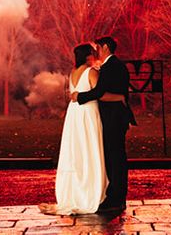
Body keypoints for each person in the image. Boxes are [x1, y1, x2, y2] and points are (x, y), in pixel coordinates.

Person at [55, 43, 126, 215]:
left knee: (78, 151)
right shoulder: (91, 72)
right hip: (88, 114)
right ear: (88, 56)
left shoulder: (72, 73)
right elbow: (99, 94)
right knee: (91, 149)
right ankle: (93, 190)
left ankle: (75, 191)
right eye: (93, 53)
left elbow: (76, 93)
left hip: (74, 114)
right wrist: (120, 97)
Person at [71, 36, 135, 212]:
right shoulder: (113, 65)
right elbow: (109, 91)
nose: (96, 50)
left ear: (105, 47)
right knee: (114, 157)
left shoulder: (110, 66)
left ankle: (115, 198)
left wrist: (79, 96)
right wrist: (121, 97)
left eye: (98, 47)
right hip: (114, 116)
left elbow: (99, 91)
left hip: (114, 117)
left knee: (115, 158)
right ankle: (115, 196)